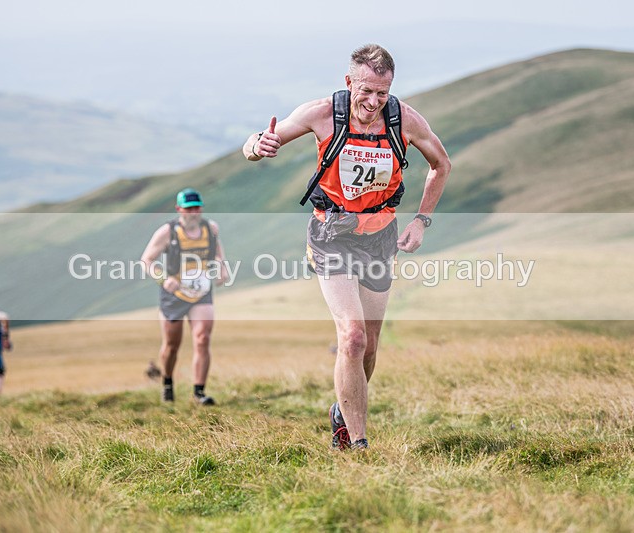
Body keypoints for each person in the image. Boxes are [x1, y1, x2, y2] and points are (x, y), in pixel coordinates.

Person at [242, 44, 451, 450]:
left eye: (383, 93)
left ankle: (343, 406)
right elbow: (259, 140)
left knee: (369, 346)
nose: (373, 103)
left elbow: (441, 164)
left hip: (380, 237)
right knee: (351, 338)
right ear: (349, 83)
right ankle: (357, 443)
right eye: (366, 91)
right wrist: (256, 147)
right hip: (330, 234)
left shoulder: (403, 119)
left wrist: (421, 221)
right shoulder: (322, 114)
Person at [140, 188, 228, 405]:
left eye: (197, 208)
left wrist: (222, 267)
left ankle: (199, 392)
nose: (193, 213)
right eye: (188, 209)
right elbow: (147, 261)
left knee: (202, 338)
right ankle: (167, 383)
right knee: (172, 345)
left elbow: (217, 252)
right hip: (174, 295)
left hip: (201, 292)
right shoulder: (167, 232)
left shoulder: (211, 228)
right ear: (179, 209)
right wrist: (163, 279)